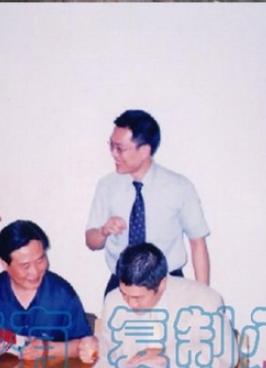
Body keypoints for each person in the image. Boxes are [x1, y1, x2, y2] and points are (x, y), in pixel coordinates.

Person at [85, 109, 210, 296]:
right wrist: (104, 231)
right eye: (111, 146)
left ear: (144, 151)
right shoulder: (107, 186)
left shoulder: (179, 187)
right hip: (121, 285)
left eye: (120, 148)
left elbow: (198, 244)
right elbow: (91, 242)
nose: (113, 154)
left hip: (168, 284)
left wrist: (203, 296)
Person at [79, 243, 237, 368]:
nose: (130, 303)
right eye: (124, 294)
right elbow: (110, 345)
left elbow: (226, 355)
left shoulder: (203, 299)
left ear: (161, 284)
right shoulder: (113, 300)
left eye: (138, 298)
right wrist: (95, 346)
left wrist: (167, 355)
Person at [0, 220, 92, 361]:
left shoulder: (62, 294)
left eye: (40, 260)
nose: (34, 272)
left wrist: (48, 349)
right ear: (5, 264)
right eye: (25, 266)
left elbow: (84, 344)